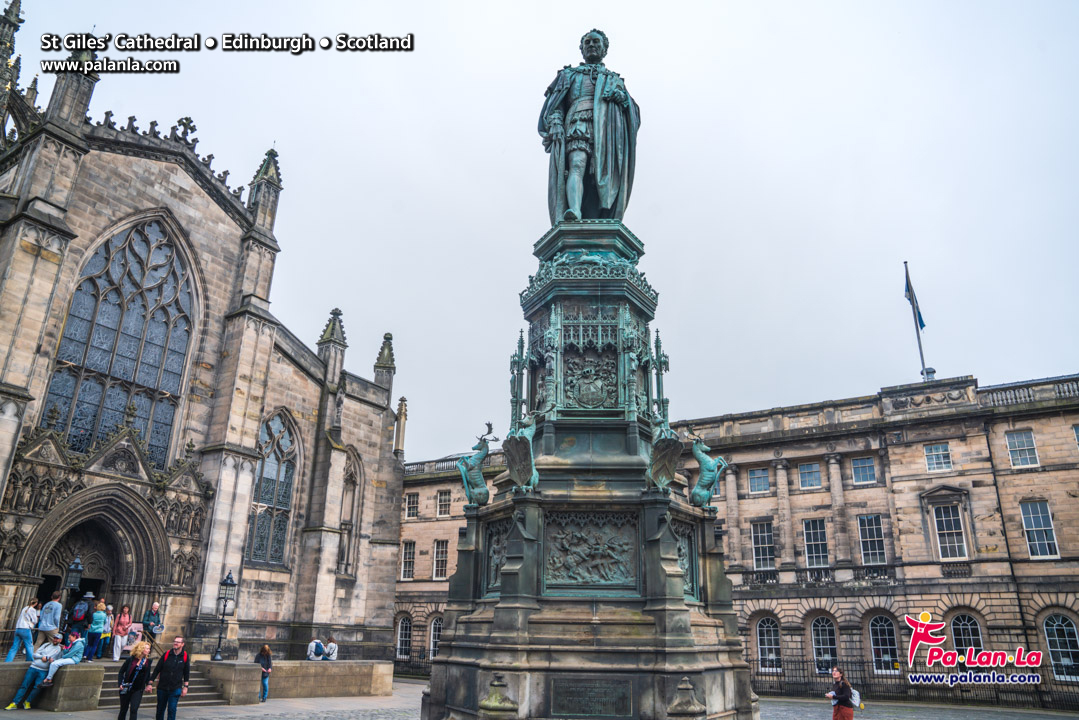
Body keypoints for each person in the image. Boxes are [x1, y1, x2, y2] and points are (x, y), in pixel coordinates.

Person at [538, 29, 640, 225]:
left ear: (604, 49)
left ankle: (596, 217)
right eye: (588, 42)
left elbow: (633, 112)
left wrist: (623, 100)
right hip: (578, 122)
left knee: (597, 179)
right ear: (582, 49)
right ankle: (574, 211)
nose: (591, 45)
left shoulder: (615, 79)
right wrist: (556, 123)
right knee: (577, 164)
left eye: (596, 42)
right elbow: (555, 105)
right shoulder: (569, 75)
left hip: (607, 132)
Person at [3, 631, 63, 710]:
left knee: (37, 687)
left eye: (57, 639)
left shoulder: (59, 649)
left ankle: (28, 701)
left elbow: (58, 660)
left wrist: (61, 652)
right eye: (55, 638)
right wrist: (43, 657)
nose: (55, 640)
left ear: (60, 640)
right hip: (33, 667)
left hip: (44, 670)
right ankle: (14, 703)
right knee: (24, 685)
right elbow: (35, 654)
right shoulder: (46, 645)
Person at [147, 636, 189, 720]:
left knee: (172, 709)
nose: (175, 643)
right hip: (162, 687)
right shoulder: (166, 654)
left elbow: (186, 672)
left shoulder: (185, 656)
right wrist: (150, 683)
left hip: (175, 687)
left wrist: (185, 687)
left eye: (178, 642)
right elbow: (157, 669)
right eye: (174, 641)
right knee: (160, 709)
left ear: (182, 644)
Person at [116, 641, 152, 720]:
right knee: (123, 710)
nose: (149, 650)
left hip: (138, 689)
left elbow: (147, 675)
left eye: (149, 649)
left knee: (134, 709)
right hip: (127, 686)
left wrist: (149, 684)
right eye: (147, 648)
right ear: (141, 649)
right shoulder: (131, 659)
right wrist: (120, 684)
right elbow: (121, 672)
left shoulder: (148, 662)